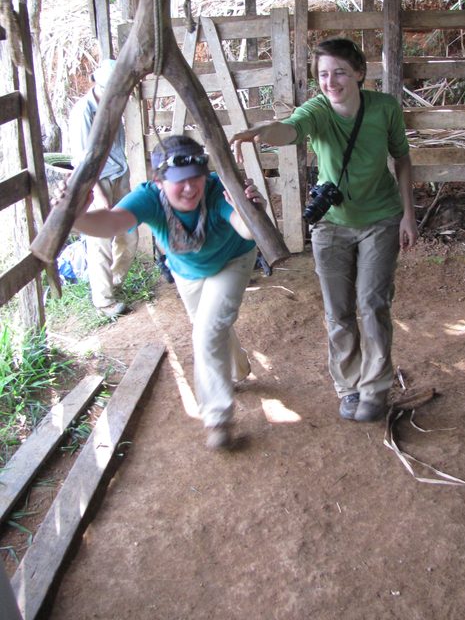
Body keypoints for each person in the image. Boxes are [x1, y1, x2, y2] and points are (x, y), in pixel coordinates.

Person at [231, 37, 418, 422]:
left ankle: (375, 389)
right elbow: (290, 130)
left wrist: (407, 215)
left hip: (380, 220)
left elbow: (402, 158)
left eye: (340, 73)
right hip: (331, 226)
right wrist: (263, 129)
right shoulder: (317, 109)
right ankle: (348, 387)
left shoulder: (384, 109)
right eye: (323, 74)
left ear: (359, 74)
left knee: (373, 304)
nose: (331, 81)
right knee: (339, 312)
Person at [56, 134, 262, 451]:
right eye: (179, 181)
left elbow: (247, 230)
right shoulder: (148, 198)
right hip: (187, 270)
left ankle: (218, 417)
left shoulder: (218, 187)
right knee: (210, 325)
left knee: (208, 331)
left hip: (233, 259)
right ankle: (238, 367)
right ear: (158, 180)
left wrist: (246, 207)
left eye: (196, 178)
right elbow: (111, 223)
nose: (190, 188)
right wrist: (77, 216)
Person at [68, 58, 138, 317]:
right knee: (99, 240)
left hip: (120, 176)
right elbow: (81, 161)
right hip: (98, 181)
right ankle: (104, 300)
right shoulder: (82, 113)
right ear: (100, 85)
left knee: (129, 234)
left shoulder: (113, 106)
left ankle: (114, 280)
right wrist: (98, 196)